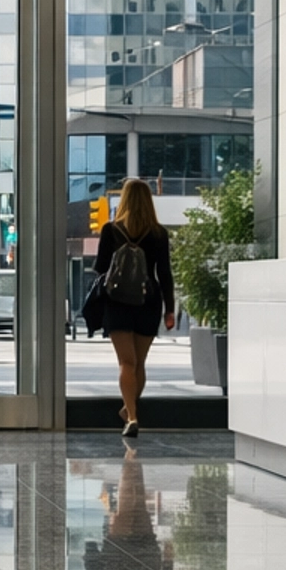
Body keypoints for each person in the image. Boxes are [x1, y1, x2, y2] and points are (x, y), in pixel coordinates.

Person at [94, 177, 175, 438]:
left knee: (125, 363)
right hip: (148, 301)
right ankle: (130, 411)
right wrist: (170, 309)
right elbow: (165, 273)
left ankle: (131, 416)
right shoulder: (159, 233)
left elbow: (101, 268)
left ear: (125, 199)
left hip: (117, 301)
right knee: (139, 363)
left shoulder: (110, 230)